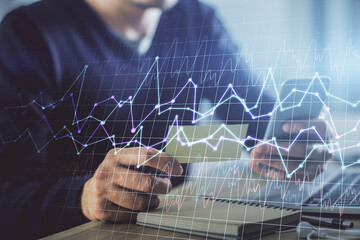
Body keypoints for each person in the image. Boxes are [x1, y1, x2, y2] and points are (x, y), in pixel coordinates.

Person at [0, 0, 332, 239]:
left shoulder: (196, 18)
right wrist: (84, 196)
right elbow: (7, 196)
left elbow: (258, 121)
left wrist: (301, 136)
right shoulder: (28, 35)